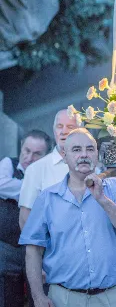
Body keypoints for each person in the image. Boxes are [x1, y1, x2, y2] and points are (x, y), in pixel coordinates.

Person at [19, 128, 116, 307]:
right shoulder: (48, 198)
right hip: (63, 298)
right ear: (64, 155)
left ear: (97, 154)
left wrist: (102, 199)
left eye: (90, 149)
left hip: (112, 297)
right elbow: (33, 250)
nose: (84, 154)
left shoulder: (115, 188)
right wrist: (38, 296)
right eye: (76, 150)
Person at [0, 129, 52, 307]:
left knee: (39, 298)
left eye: (37, 153)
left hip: (39, 252)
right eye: (26, 150)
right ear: (21, 147)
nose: (29, 157)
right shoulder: (9, 163)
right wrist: (33, 189)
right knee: (7, 300)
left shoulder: (50, 175)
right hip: (7, 250)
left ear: (46, 156)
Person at [19, 109, 78, 229]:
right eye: (59, 126)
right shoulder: (35, 169)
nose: (63, 131)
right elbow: (26, 221)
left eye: (70, 127)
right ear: (54, 129)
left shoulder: (93, 167)